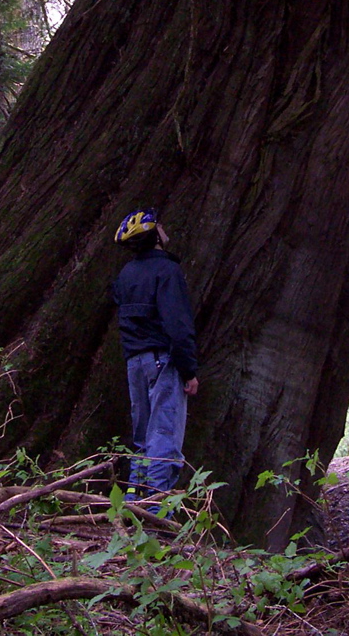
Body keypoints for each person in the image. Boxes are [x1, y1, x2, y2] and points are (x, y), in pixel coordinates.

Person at [111, 208, 199, 506]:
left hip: (134, 362)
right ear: (154, 233)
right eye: (160, 224)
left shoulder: (126, 275)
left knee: (142, 438)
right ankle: (156, 516)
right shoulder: (167, 271)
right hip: (164, 361)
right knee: (163, 437)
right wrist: (189, 370)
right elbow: (178, 326)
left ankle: (136, 503)